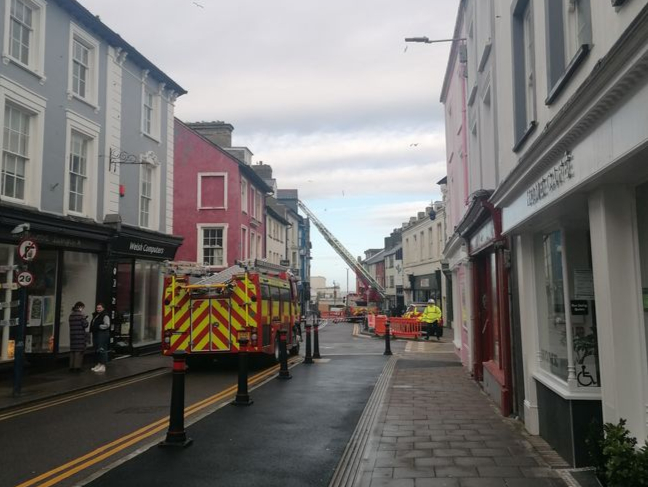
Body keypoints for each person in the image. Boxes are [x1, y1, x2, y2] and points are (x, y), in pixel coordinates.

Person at [90, 303, 111, 373]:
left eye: (99, 308)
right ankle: (99, 364)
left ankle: (103, 366)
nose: (98, 309)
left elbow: (107, 325)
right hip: (96, 334)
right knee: (97, 349)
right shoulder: (96, 315)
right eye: (97, 308)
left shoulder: (105, 315)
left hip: (103, 334)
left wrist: (99, 326)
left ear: (103, 308)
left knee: (102, 349)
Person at [68, 301, 88, 372]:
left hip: (73, 335)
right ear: (80, 307)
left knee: (73, 351)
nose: (82, 309)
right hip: (80, 336)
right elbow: (85, 325)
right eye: (82, 307)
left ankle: (71, 366)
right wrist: (85, 318)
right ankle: (77, 367)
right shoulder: (81, 315)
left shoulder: (71, 315)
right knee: (79, 352)